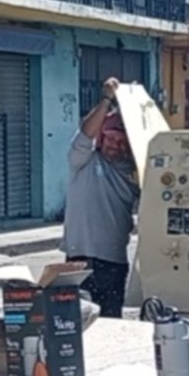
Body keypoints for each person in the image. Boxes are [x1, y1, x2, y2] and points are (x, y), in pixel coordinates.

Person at [63, 77, 140, 317]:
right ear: (101, 138)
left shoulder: (134, 171)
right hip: (79, 260)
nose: (117, 146)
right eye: (112, 139)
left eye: (123, 143)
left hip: (114, 261)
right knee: (76, 323)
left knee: (110, 322)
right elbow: (85, 134)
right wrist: (107, 99)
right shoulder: (83, 161)